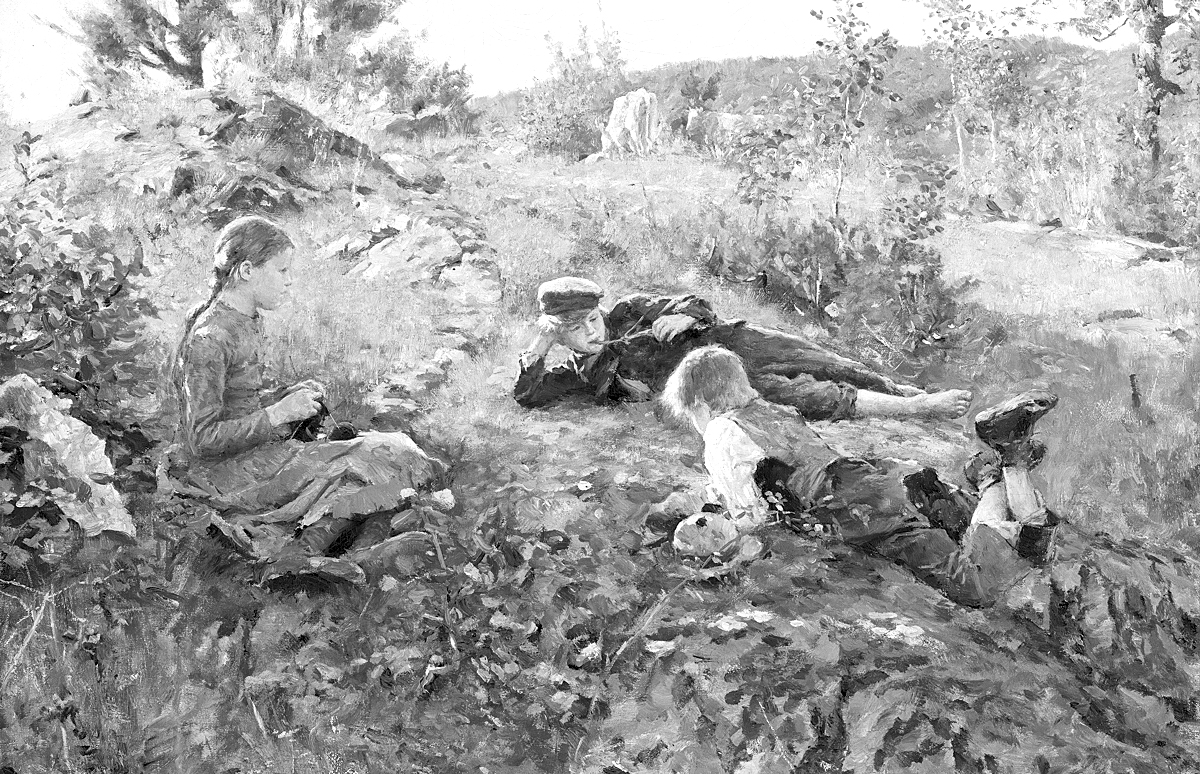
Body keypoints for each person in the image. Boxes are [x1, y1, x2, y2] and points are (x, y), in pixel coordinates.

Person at [657, 345, 1062, 608]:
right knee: (1002, 537)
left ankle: (1001, 462)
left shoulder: (719, 434)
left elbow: (752, 516)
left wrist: (727, 525)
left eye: (690, 415)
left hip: (861, 509)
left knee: (976, 585)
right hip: (886, 477)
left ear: (699, 405)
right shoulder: (770, 412)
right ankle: (1000, 466)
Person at [172, 215, 446, 585]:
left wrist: (287, 397)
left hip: (256, 452)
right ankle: (300, 556)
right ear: (247, 271)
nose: (289, 281)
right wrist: (276, 414)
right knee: (380, 457)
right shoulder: (210, 336)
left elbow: (240, 401)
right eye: (282, 270)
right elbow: (202, 439)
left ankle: (334, 552)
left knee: (384, 457)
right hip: (228, 471)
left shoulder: (246, 319)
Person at [514, 277, 972, 423]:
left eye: (593, 319)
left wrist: (684, 316)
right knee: (797, 393)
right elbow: (527, 396)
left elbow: (693, 303)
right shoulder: (578, 375)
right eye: (575, 330)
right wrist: (538, 343)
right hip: (712, 378)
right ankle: (917, 410)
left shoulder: (629, 310)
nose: (592, 333)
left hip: (731, 340)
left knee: (820, 359)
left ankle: (902, 390)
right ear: (559, 334)